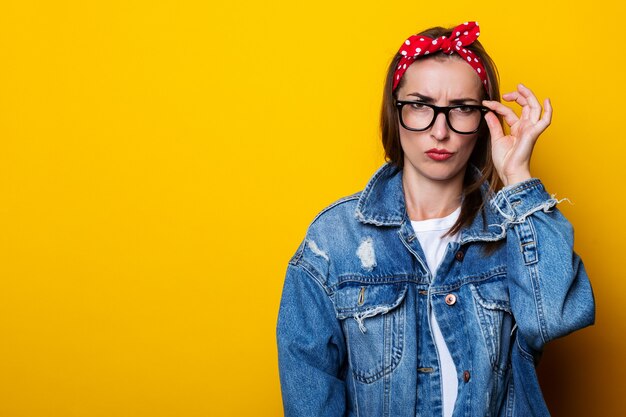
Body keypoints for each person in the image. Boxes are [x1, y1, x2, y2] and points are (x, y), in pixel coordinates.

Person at [276, 21, 595, 417]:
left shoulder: (512, 231)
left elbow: (557, 318)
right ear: (395, 112)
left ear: (484, 121)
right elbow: (310, 395)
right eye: (420, 106)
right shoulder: (334, 241)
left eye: (462, 109)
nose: (440, 131)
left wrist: (518, 177)